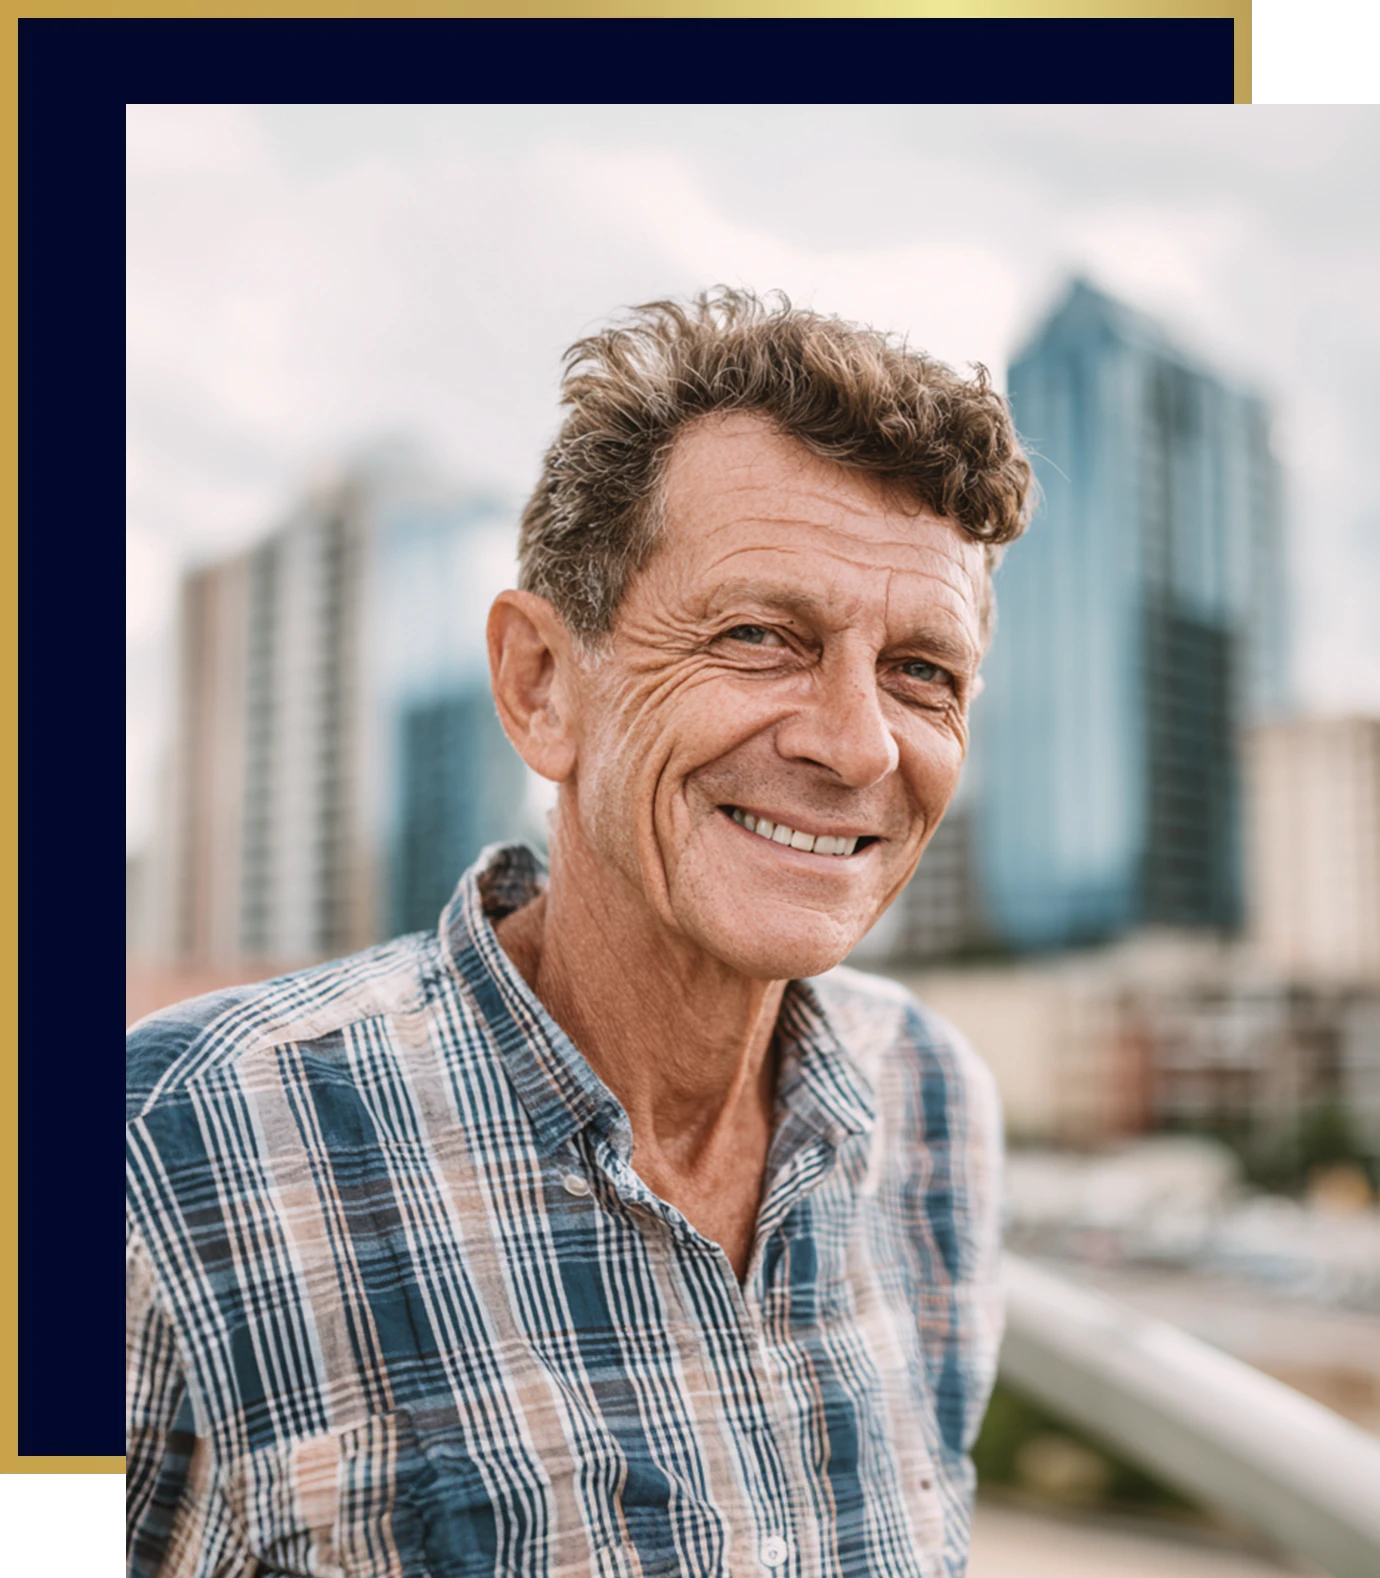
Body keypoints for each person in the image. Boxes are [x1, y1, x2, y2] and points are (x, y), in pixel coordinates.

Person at [126, 288, 1033, 1578]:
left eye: (921, 672)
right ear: (541, 686)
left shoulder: (936, 1109)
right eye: (760, 637)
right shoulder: (162, 1153)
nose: (856, 742)